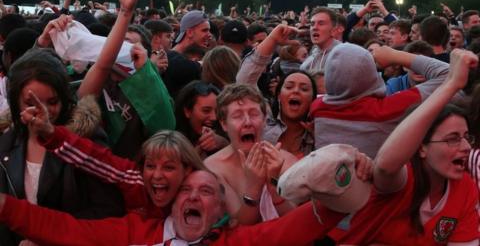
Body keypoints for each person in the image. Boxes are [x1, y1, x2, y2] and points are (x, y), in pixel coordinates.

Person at [329, 48, 479, 244]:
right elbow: (385, 165)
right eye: (453, 138)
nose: (467, 146)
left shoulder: (465, 188)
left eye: (467, 137)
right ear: (421, 147)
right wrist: (451, 83)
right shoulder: (401, 179)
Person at [0, 169, 350, 246]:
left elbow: (304, 223)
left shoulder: (239, 241)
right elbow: (63, 230)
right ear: (172, 204)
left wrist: (347, 181)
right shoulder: (133, 233)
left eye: (206, 191)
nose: (194, 196)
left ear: (219, 212)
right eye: (185, 190)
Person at [19, 84, 206, 218]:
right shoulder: (135, 179)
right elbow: (91, 157)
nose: (157, 175)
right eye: (150, 165)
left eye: (168, 167)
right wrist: (50, 133)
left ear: (187, 169)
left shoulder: (206, 195)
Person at [37, 0, 175, 158]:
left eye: (128, 46)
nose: (118, 50)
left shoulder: (152, 86)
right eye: (116, 43)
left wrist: (146, 74)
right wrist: (43, 44)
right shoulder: (79, 78)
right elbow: (29, 82)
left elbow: (165, 128)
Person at [0, 48, 125, 245]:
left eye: (52, 102)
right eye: (31, 103)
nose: (44, 112)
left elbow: (108, 211)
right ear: (16, 103)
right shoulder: (5, 143)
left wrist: (50, 238)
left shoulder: (86, 142)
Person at [312, 43, 454, 158]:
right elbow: (450, 75)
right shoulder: (388, 109)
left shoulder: (315, 108)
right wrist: (396, 55)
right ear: (370, 74)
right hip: (379, 191)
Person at [205, 83, 298, 225]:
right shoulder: (213, 169)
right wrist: (254, 187)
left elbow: (298, 222)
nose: (247, 122)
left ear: (264, 119)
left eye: (254, 114)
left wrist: (273, 188)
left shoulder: (288, 162)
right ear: (224, 124)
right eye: (237, 116)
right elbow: (238, 226)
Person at [239, 24, 317, 157]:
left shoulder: (319, 138)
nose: (296, 91)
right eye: (289, 86)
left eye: (304, 89)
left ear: (313, 99)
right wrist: (272, 39)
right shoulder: (262, 124)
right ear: (279, 95)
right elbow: (244, 82)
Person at [175, 81, 228, 158]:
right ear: (187, 111)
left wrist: (224, 144)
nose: (214, 117)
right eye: (206, 111)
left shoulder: (228, 135)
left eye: (217, 111)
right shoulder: (173, 145)